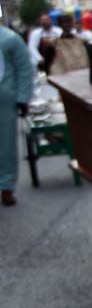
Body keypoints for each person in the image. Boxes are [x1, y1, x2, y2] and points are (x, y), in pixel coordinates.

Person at [0, 25, 36, 206]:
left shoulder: (10, 39)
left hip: (4, 100)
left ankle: (6, 186)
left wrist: (23, 98)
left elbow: (24, 69)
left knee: (6, 146)